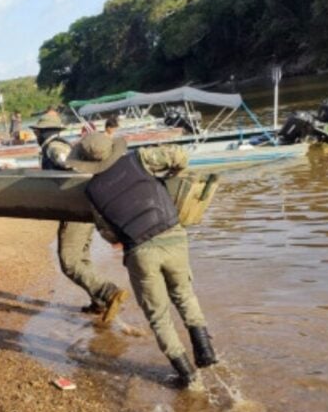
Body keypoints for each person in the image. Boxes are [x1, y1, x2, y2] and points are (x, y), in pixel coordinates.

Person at [71, 132, 218, 387]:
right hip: (173, 236)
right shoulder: (138, 159)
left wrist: (121, 240)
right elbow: (178, 155)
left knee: (159, 316)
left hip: (140, 251)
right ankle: (205, 350)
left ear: (87, 162)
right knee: (184, 295)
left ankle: (189, 377)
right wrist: (174, 174)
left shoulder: (92, 191)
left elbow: (106, 232)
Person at [30, 115, 129, 324]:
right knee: (81, 257)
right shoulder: (55, 145)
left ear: (43, 132)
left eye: (37, 132)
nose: (35, 135)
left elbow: (71, 166)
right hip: (84, 206)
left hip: (74, 209)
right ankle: (98, 301)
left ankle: (107, 292)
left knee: (70, 261)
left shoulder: (54, 147)